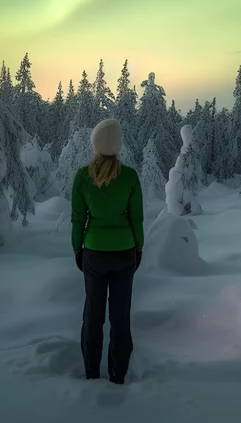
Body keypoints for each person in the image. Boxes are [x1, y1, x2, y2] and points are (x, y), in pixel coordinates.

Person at [71, 118, 144, 384]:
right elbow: (137, 218)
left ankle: (91, 373)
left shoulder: (82, 176)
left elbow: (78, 218)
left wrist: (77, 248)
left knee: (93, 316)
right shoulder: (130, 176)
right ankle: (118, 376)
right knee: (120, 317)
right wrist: (139, 247)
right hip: (125, 252)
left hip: (93, 253)